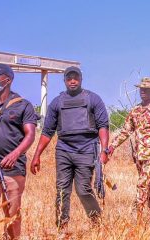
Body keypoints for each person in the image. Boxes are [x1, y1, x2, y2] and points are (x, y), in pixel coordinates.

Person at [31, 66, 109, 230]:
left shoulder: (93, 99)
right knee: (62, 190)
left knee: (83, 189)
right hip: (64, 150)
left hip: (87, 149)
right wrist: (37, 155)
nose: (72, 81)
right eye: (69, 78)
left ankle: (97, 223)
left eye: (75, 78)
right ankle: (62, 227)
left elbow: (103, 126)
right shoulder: (57, 102)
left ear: (81, 79)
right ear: (65, 80)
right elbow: (47, 131)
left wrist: (104, 150)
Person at [107, 77, 150, 216]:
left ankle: (138, 216)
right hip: (139, 155)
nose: (143, 92)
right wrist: (112, 146)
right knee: (149, 186)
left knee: (142, 183)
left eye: (147, 89)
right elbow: (126, 131)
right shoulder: (135, 110)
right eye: (141, 89)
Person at [0, 64, 37, 239]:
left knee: (12, 213)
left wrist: (15, 154)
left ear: (8, 80)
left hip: (13, 168)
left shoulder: (23, 105)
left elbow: (30, 134)